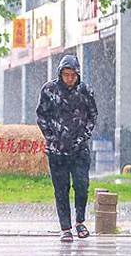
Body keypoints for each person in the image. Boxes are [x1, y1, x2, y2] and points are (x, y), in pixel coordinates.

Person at [36, 55, 98, 242]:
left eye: (73, 75)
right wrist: (52, 138)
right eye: (66, 74)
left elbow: (92, 116)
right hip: (57, 150)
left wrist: (82, 137)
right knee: (61, 189)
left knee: (81, 185)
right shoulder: (49, 90)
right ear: (60, 74)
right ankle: (65, 227)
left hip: (80, 149)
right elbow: (41, 116)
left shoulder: (85, 90)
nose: (70, 78)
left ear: (78, 74)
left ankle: (80, 221)